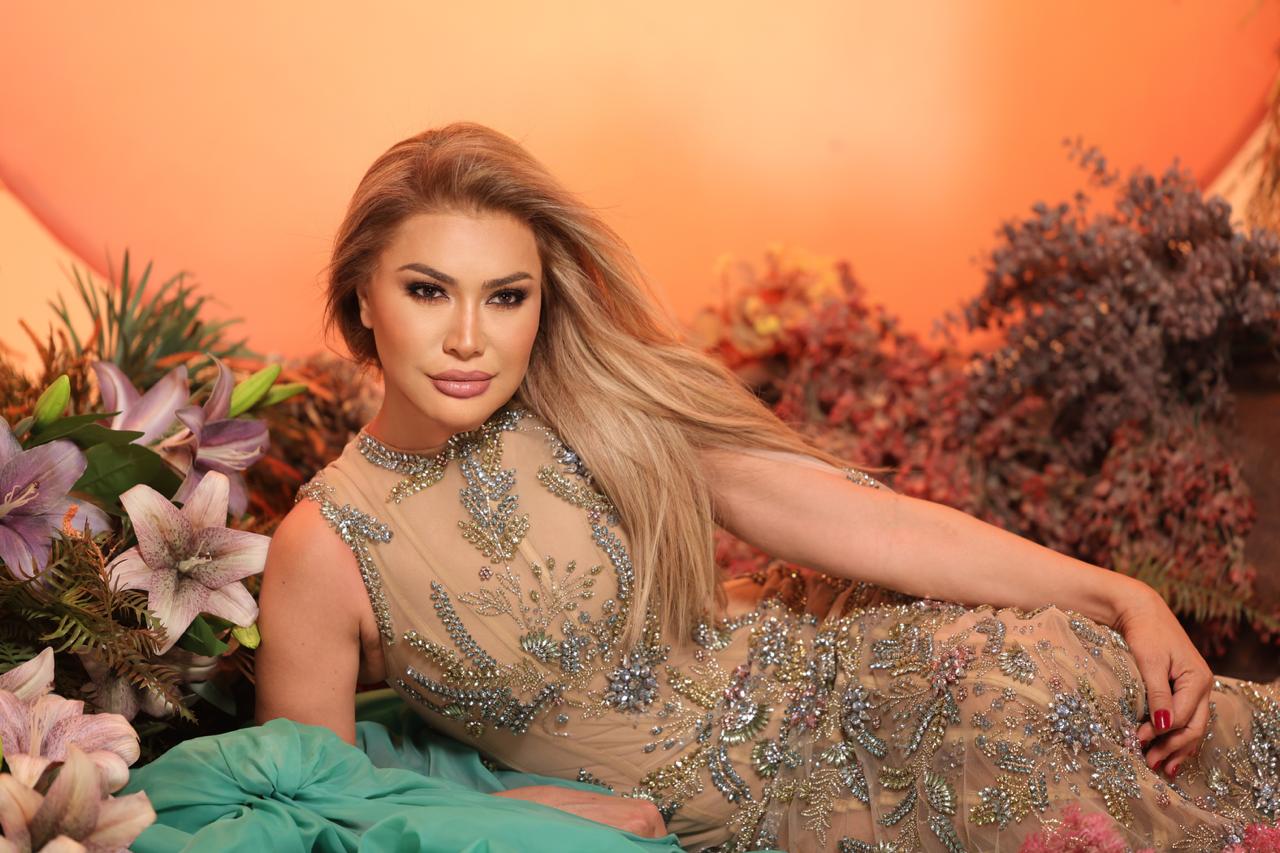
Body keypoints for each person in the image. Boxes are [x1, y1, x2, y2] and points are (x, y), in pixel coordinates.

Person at [252, 122, 1280, 852]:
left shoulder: (588, 404)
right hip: (767, 820)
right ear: (363, 296)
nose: (470, 337)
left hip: (878, 681)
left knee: (1064, 724)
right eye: (428, 290)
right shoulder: (324, 546)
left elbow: (872, 528)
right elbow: (317, 801)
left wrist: (1121, 594)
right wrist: (526, 810)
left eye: (506, 296)